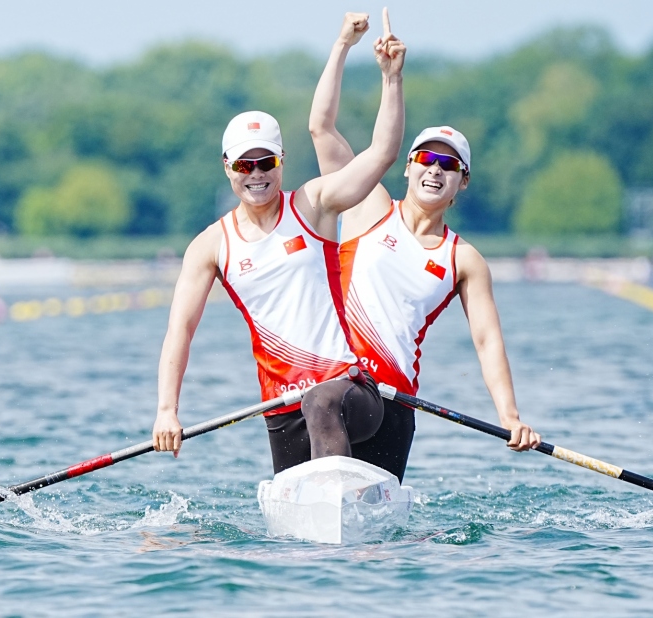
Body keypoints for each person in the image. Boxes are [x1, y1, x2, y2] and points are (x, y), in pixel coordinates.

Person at [152, 14, 407, 477]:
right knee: (294, 544)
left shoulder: (314, 204)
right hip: (281, 408)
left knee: (321, 401)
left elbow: (382, 153)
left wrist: (390, 79)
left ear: (281, 161)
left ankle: (338, 498)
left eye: (265, 162)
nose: (256, 175)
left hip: (349, 391)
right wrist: (167, 410)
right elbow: (179, 332)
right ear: (227, 168)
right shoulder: (209, 246)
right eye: (244, 166)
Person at [308, 11, 541, 482]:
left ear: (462, 184)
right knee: (323, 401)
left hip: (395, 403)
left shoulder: (463, 259)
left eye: (448, 166)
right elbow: (321, 130)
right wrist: (347, 50)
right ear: (408, 167)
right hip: (333, 391)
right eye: (426, 159)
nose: (435, 170)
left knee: (381, 551)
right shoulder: (367, 206)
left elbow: (487, 340)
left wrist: (511, 416)